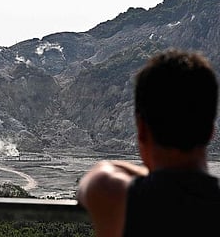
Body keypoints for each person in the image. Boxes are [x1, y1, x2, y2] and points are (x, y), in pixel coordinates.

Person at [77, 49, 220, 237]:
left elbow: (101, 170)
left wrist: (157, 174)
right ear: (211, 132)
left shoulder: (113, 193)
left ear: (142, 130)